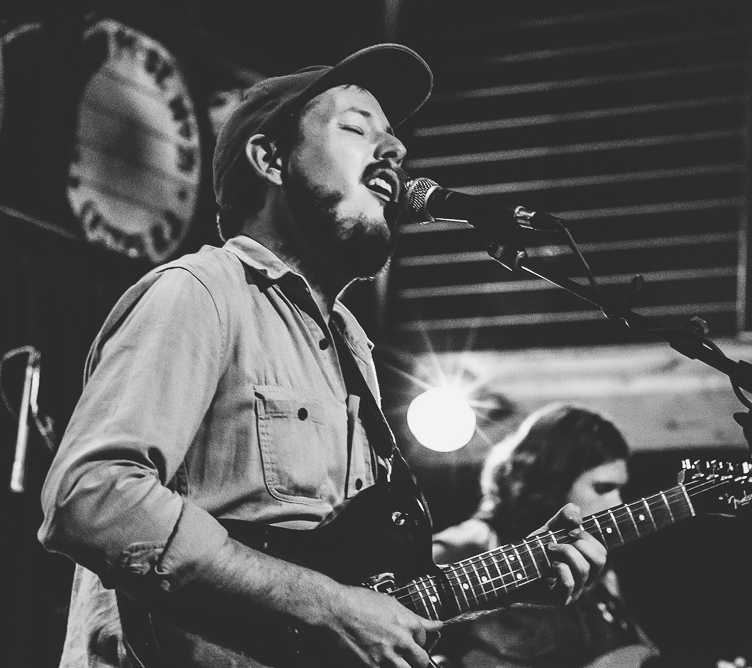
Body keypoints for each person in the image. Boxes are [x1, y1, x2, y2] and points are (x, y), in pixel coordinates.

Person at [37, 44, 606, 668]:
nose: (395, 152)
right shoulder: (202, 292)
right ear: (271, 159)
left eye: (393, 140)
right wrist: (324, 604)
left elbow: (361, 589)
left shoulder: (351, 344)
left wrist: (509, 579)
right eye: (358, 129)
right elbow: (92, 497)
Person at [431, 403, 662, 668]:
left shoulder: (601, 576)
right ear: (552, 480)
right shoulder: (471, 545)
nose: (618, 504)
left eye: (620, 489)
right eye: (603, 488)